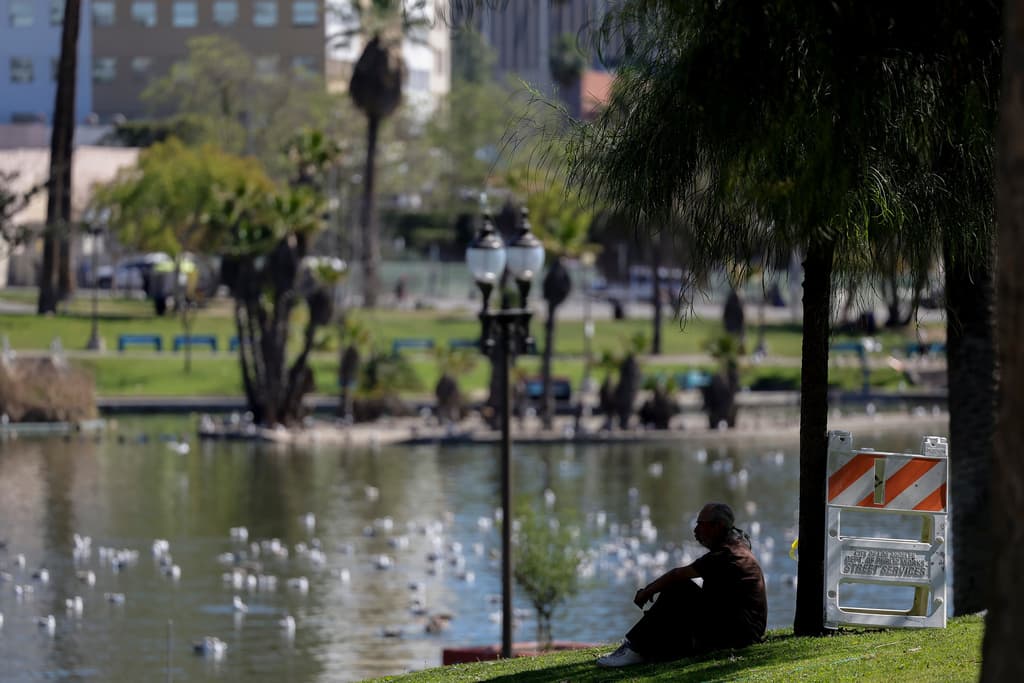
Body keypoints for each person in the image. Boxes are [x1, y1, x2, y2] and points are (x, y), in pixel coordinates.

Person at [596, 502, 767, 668]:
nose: (695, 530)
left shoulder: (727, 554)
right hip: (741, 628)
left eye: (701, 524)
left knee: (678, 588)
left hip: (740, 633)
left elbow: (677, 574)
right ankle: (640, 648)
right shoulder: (738, 544)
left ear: (718, 526)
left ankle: (634, 649)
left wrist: (647, 591)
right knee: (677, 611)